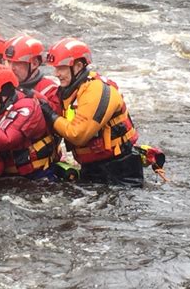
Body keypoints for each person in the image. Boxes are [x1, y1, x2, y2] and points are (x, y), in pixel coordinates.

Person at [39, 37, 144, 187]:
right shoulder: (71, 90)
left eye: (61, 68)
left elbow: (77, 135)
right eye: (55, 68)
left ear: (78, 66)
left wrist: (50, 114)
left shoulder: (96, 90)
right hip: (93, 168)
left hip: (120, 171)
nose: (56, 73)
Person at [0, 64, 57, 186]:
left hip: (38, 179)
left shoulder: (27, 106)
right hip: (9, 177)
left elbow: (4, 140)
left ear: (5, 94)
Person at [3, 35, 61, 114]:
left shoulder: (50, 89)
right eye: (8, 62)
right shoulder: (1, 84)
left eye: (17, 63)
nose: (11, 68)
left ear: (34, 64)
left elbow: (57, 115)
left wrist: (32, 95)